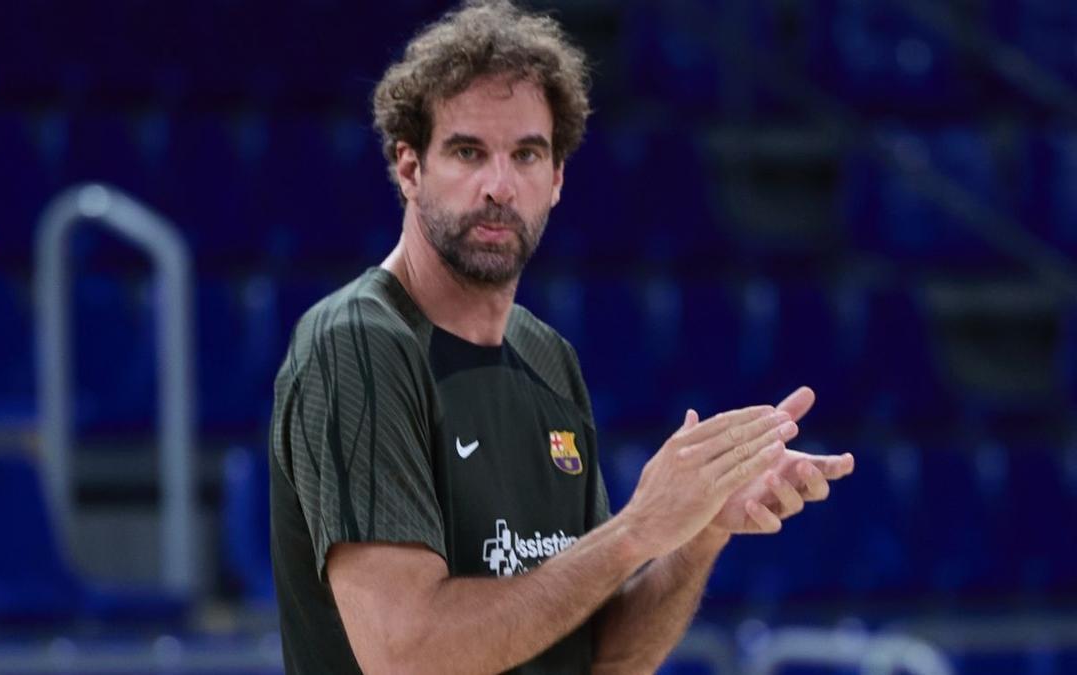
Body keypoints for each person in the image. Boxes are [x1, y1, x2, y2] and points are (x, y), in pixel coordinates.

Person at [267, 1, 855, 673]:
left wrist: (698, 530)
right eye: (467, 152)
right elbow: (407, 656)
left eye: (526, 154)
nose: (499, 185)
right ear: (409, 169)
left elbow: (601, 657)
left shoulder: (549, 358)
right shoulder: (356, 348)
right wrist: (634, 530)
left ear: (556, 180)